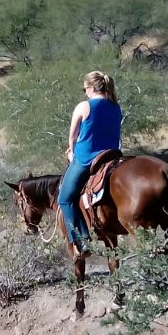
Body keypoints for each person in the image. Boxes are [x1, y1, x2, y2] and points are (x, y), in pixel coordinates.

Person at [57, 70, 123, 255]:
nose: (85, 92)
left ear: (92, 88)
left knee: (64, 198)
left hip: (87, 159)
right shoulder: (116, 107)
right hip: (112, 156)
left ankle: (81, 240)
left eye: (85, 89)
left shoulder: (84, 106)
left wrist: (72, 154)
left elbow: (73, 137)